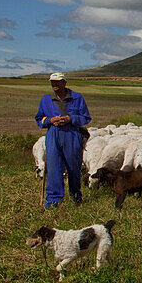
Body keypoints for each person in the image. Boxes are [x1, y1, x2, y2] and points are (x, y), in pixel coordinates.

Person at [35, 72, 91, 208]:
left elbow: (86, 118)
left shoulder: (77, 98)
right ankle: (53, 201)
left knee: (74, 167)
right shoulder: (45, 100)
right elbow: (39, 119)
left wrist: (70, 119)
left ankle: (76, 197)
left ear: (64, 82)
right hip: (53, 134)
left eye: (58, 82)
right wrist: (50, 120)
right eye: (52, 82)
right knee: (54, 168)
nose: (54, 84)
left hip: (71, 134)